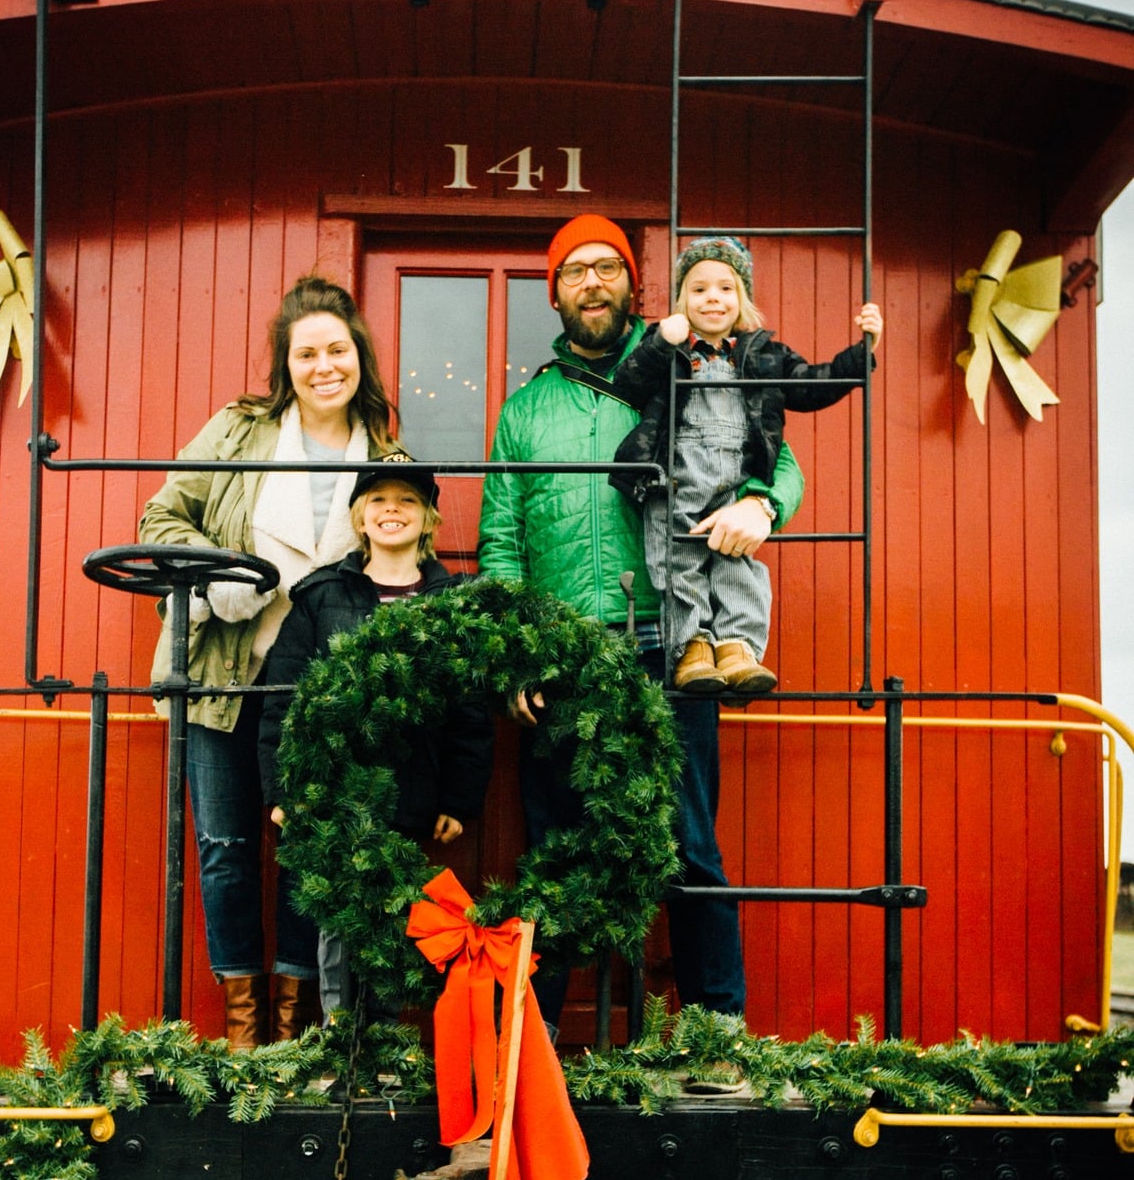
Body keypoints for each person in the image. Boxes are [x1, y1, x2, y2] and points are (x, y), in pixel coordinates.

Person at [477, 213, 804, 1023]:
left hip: (675, 642)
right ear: (553, 292)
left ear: (633, 283)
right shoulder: (523, 414)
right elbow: (501, 540)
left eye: (607, 267)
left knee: (688, 846)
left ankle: (715, 1034)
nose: (592, 283)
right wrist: (518, 652)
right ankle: (537, 1045)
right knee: (554, 851)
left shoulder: (688, 367)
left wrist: (763, 505)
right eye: (574, 271)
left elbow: (778, 456)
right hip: (564, 656)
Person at [138, 275, 397, 1047]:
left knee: (306, 852)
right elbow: (161, 515)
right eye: (306, 352)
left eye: (337, 350)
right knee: (224, 850)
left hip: (320, 695)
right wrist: (212, 574)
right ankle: (245, 1028)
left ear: (360, 358)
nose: (324, 366)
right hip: (224, 672)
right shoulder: (238, 431)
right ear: (285, 365)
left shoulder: (386, 452)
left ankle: (292, 1027)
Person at [259, 455, 495, 1018]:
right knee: (339, 920)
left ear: (429, 519)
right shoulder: (321, 599)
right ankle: (341, 1035)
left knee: (398, 915)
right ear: (360, 518)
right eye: (379, 500)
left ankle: (385, 1039)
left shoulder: (453, 603)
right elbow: (282, 700)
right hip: (335, 797)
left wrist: (459, 798)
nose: (393, 510)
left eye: (408, 500)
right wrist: (280, 791)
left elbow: (470, 710)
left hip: (412, 793)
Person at [609, 235, 881, 693]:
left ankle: (737, 646)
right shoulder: (670, 352)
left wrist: (862, 351)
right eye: (698, 289)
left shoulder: (762, 355)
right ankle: (692, 647)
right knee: (677, 562)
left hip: (734, 480)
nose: (712, 297)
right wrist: (660, 341)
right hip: (673, 480)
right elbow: (628, 385)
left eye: (724, 288)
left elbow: (811, 385)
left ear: (742, 300)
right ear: (682, 301)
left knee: (736, 562)